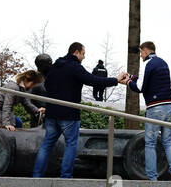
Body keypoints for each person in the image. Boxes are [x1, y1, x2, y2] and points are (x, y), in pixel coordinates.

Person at [33, 42, 126, 179]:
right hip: (69, 113)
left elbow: (47, 84)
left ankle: (36, 176)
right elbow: (93, 80)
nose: (83, 57)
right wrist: (116, 80)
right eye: (83, 54)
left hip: (52, 113)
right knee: (71, 144)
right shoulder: (75, 67)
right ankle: (65, 177)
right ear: (76, 52)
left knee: (47, 144)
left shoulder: (54, 67)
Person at [127, 40, 171, 181]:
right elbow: (146, 81)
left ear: (146, 50)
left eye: (141, 52)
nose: (140, 55)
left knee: (150, 143)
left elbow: (140, 87)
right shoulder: (163, 63)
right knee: (168, 141)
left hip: (155, 108)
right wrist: (132, 78)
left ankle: (152, 177)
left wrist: (127, 82)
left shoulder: (147, 64)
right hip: (169, 107)